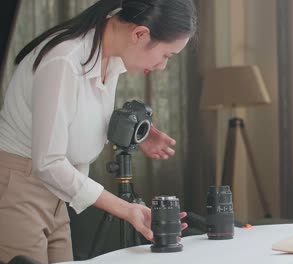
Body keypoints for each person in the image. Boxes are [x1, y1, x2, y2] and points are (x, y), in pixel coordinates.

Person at [0, 0, 197, 263]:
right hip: (21, 186)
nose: (163, 66)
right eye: (166, 55)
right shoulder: (64, 61)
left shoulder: (109, 59)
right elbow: (47, 163)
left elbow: (75, 118)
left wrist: (140, 132)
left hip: (57, 191)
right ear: (140, 34)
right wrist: (127, 210)